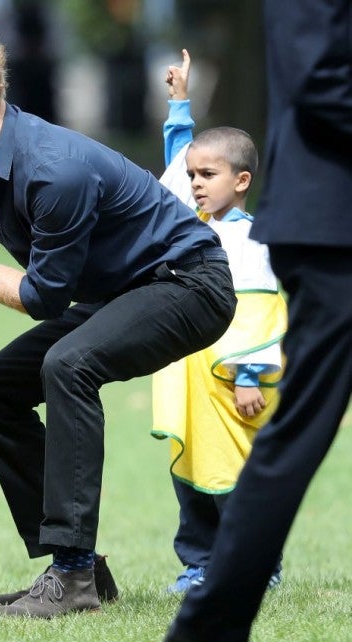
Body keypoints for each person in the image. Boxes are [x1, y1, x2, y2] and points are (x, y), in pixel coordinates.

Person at [0, 26, 237, 619]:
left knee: (68, 364)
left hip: (189, 284)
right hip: (120, 292)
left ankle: (70, 576)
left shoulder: (55, 169)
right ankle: (85, 571)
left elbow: (43, 296)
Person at [164, 1, 352, 642]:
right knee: (300, 424)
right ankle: (213, 617)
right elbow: (318, 75)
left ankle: (211, 618)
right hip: (333, 222)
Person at [153, 49, 287, 594]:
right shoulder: (192, 223)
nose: (196, 184)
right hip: (190, 379)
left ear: (242, 180)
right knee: (192, 475)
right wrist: (179, 105)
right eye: (193, 176)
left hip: (232, 384)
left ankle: (258, 566)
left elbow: (260, 310)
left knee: (234, 477)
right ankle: (200, 563)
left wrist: (251, 374)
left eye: (209, 175)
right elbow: (172, 172)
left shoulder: (253, 241)